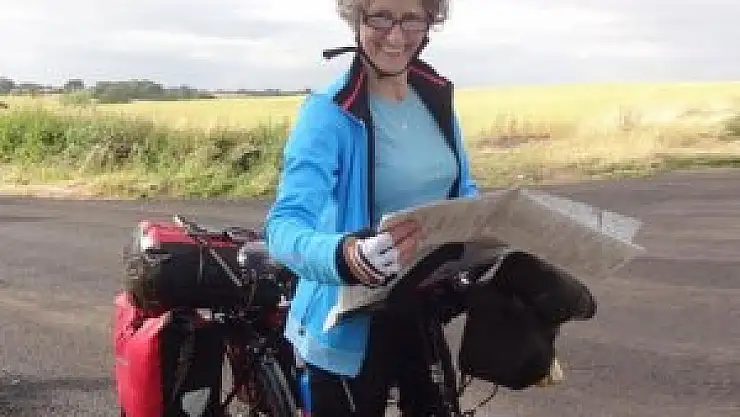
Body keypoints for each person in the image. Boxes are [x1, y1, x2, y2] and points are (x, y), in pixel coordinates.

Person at [263, 0, 479, 415]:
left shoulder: (434, 97)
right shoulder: (329, 113)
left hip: (420, 308)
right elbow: (283, 226)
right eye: (381, 16)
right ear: (357, 18)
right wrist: (344, 254)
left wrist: (493, 232)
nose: (395, 36)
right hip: (345, 322)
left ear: (429, 22)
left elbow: (462, 188)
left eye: (411, 19)